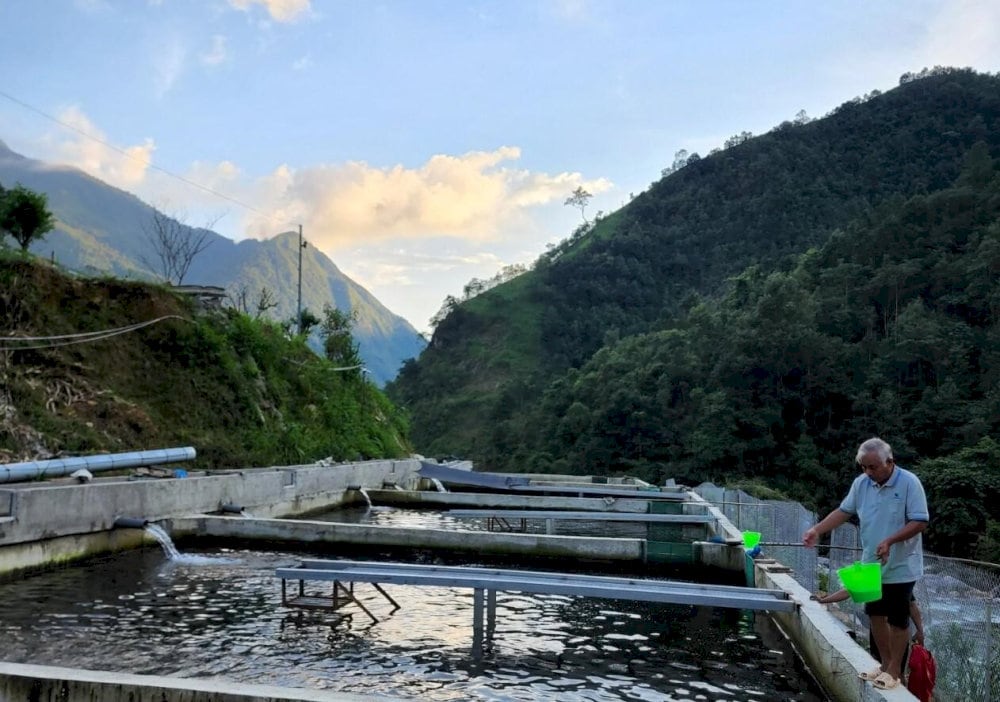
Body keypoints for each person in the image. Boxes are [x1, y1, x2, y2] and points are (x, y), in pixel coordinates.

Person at [802, 437, 929, 691]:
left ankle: (895, 671)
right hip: (872, 562)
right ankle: (883, 665)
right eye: (863, 467)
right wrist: (817, 529)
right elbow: (844, 511)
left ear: (889, 462)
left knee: (897, 618)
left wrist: (891, 541)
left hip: (902, 564)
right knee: (875, 614)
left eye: (873, 467)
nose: (868, 472)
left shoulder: (909, 483)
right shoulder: (862, 484)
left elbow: (920, 521)